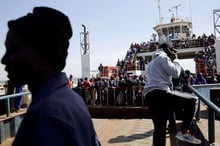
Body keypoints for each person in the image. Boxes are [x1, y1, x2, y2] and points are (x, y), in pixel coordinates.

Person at [1, 6, 100, 146]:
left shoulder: (46, 119)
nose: (4, 59)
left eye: (13, 49)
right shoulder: (72, 99)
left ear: (43, 55)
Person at [143, 43, 201, 146]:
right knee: (193, 100)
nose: (173, 53)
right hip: (161, 92)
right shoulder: (163, 57)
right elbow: (176, 73)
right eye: (172, 50)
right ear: (167, 49)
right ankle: (184, 132)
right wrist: (176, 60)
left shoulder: (152, 63)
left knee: (159, 129)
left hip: (149, 96)